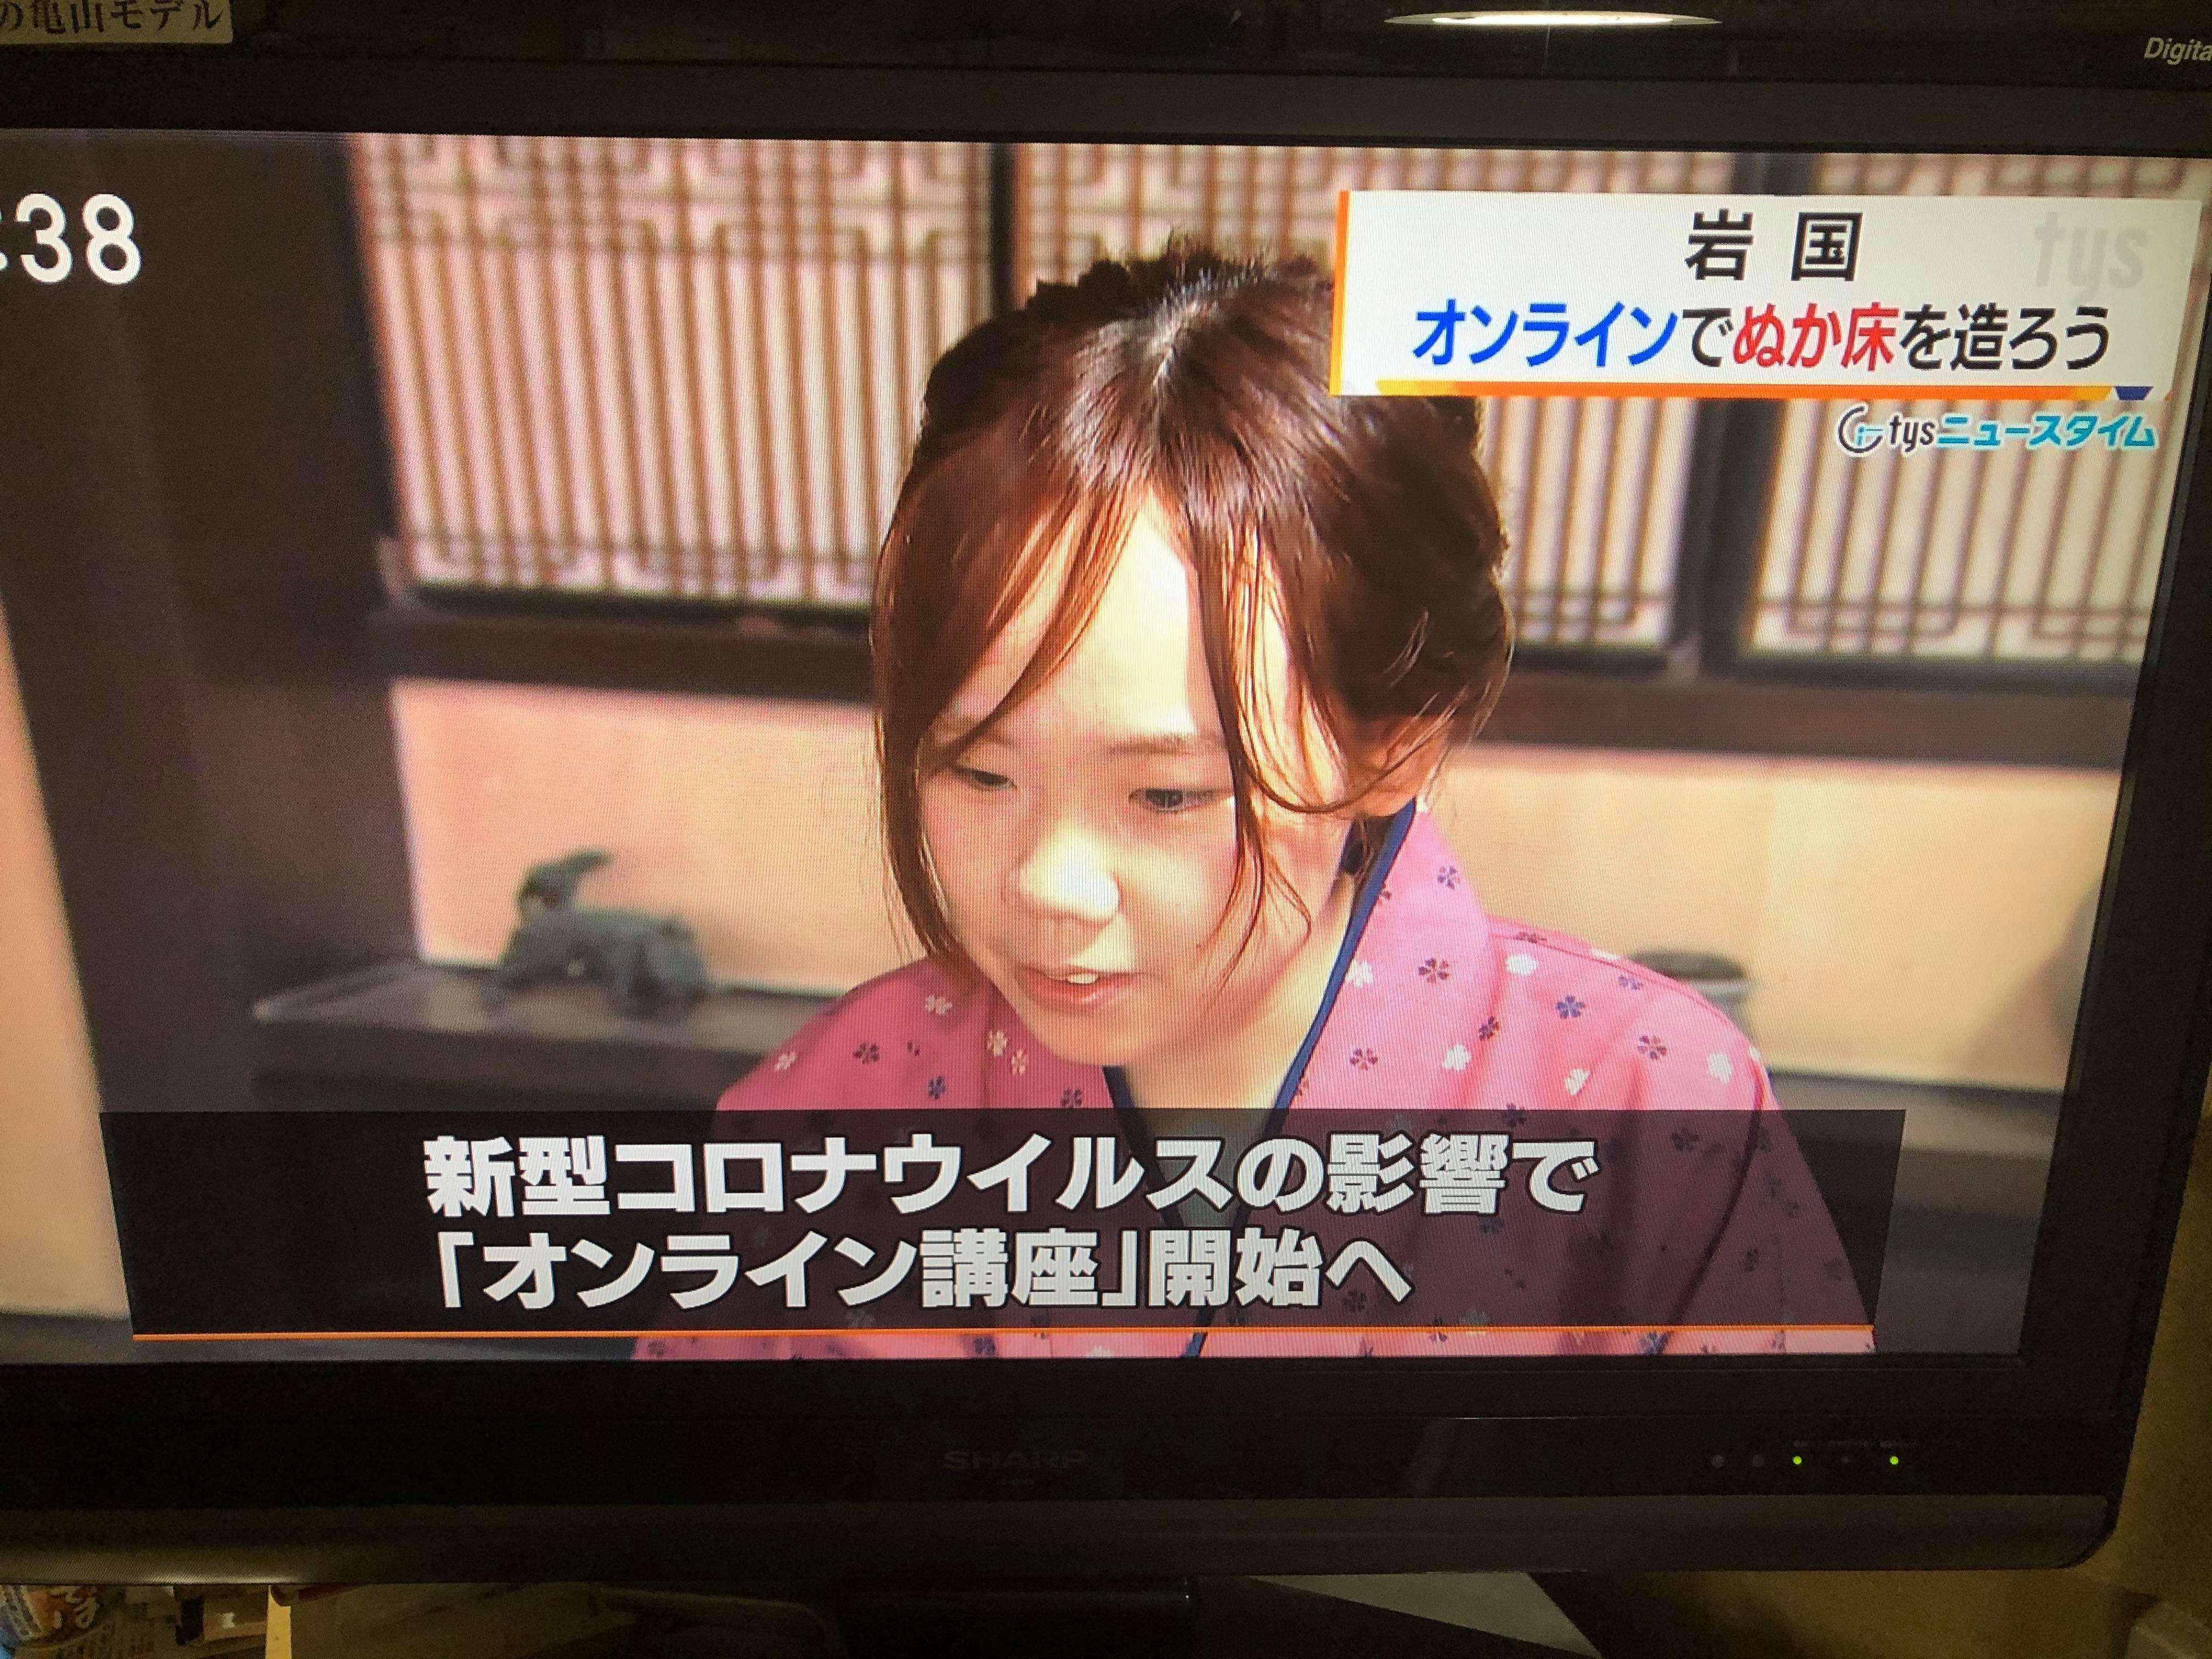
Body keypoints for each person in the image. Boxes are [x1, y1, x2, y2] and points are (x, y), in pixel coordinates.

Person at [643, 244, 1870, 1361]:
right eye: (977, 771)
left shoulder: (1652, 1107)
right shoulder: (833, 1105)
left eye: (1167, 792)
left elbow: (1778, 1534)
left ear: (1394, 746)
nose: (1050, 887)